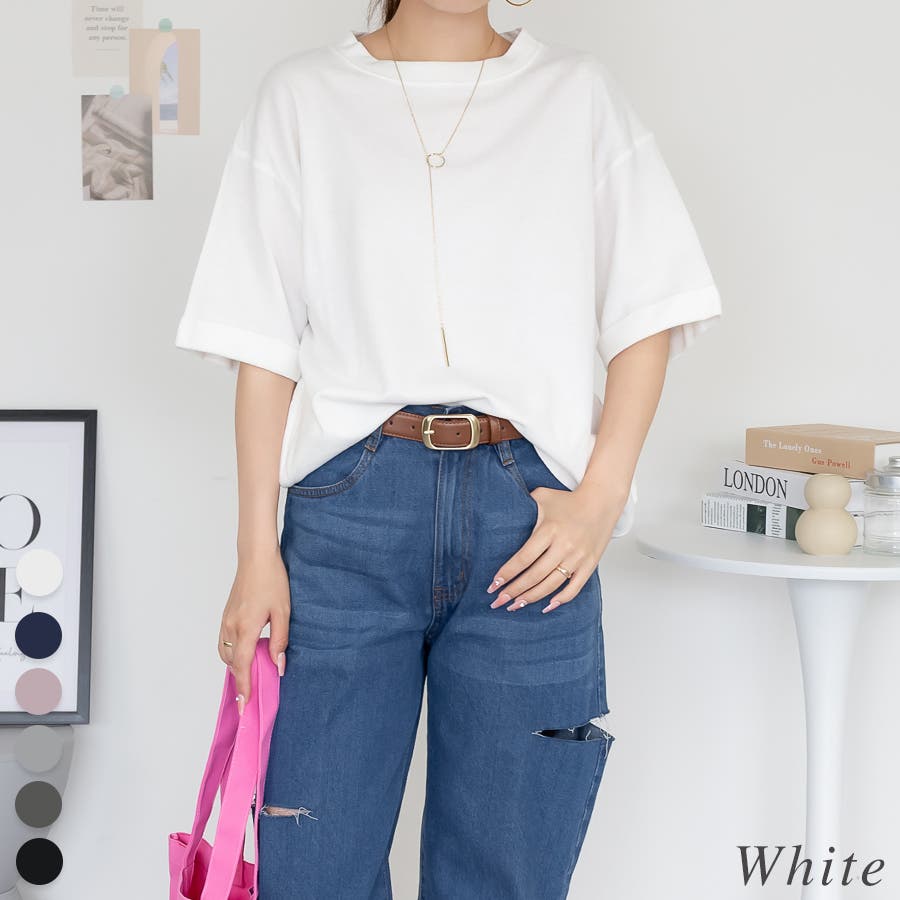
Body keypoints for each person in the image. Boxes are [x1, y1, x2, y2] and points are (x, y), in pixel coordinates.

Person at [174, 0, 723, 896]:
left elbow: (650, 311)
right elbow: (262, 346)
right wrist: (255, 554)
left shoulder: (577, 94)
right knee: (313, 872)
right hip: (347, 516)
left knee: (507, 872)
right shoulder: (304, 96)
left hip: (531, 522)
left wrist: (600, 500)